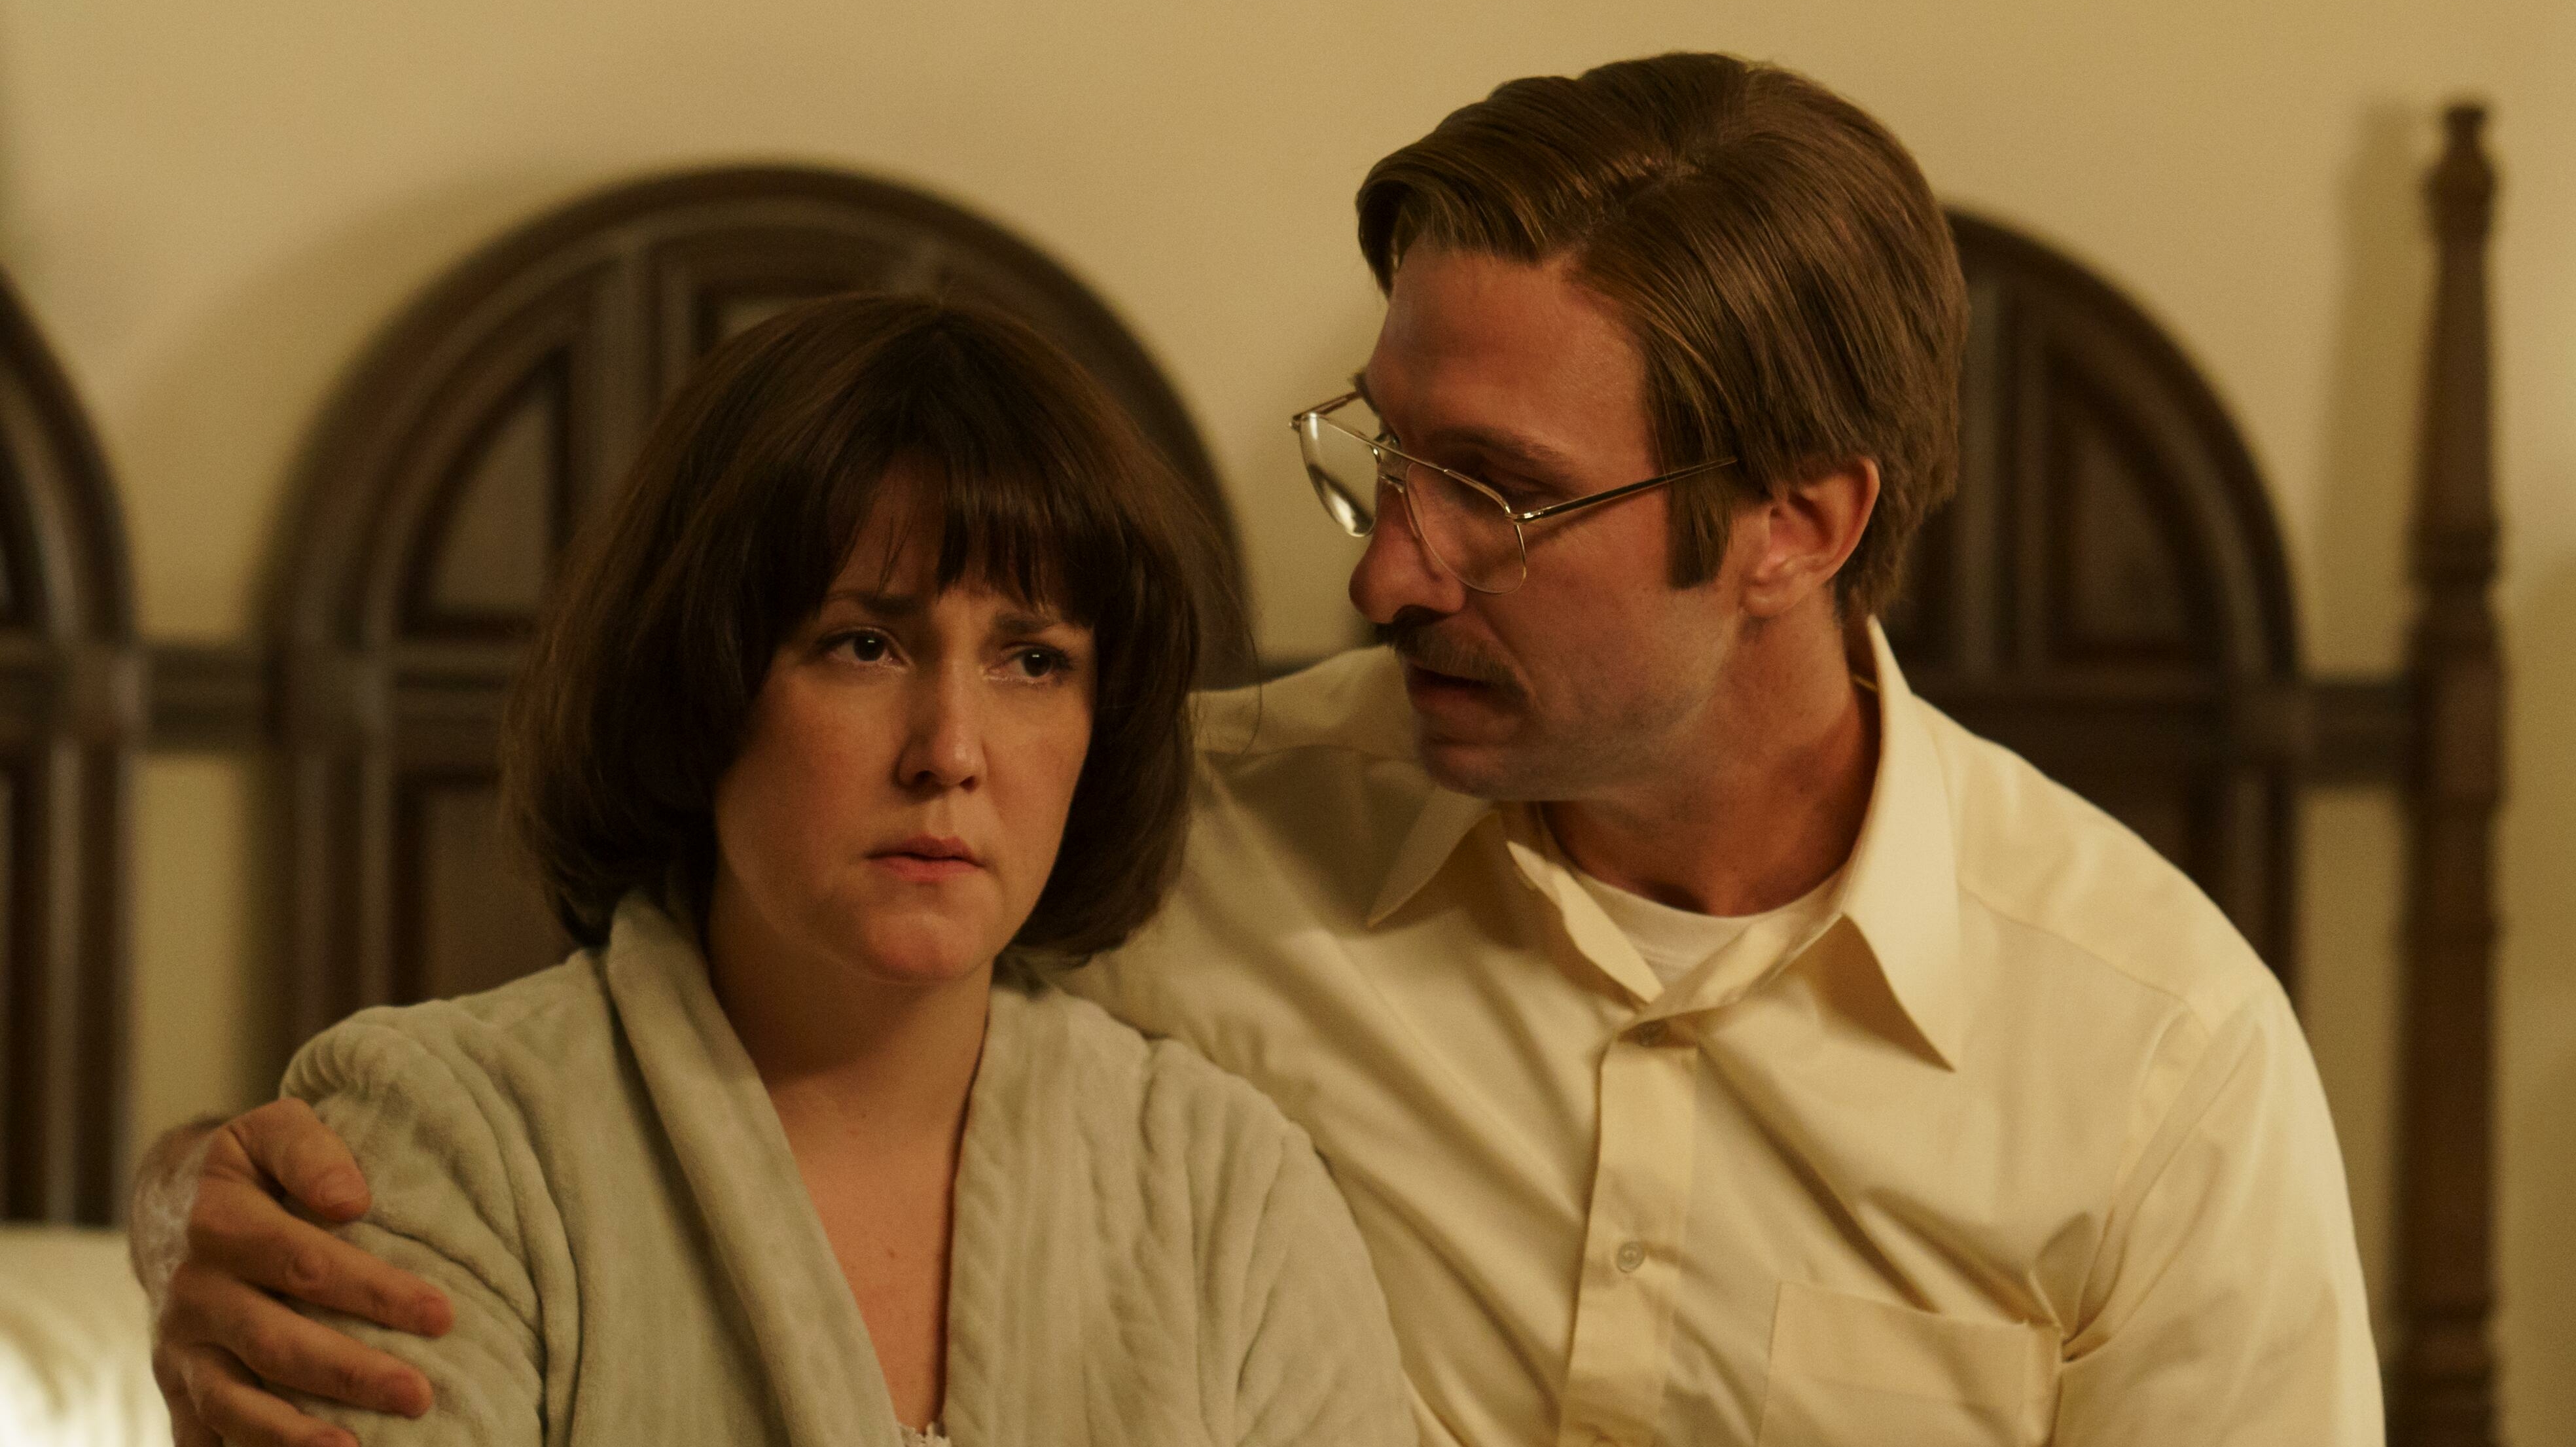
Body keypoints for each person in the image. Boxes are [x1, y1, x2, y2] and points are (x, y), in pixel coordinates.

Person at [133, 52, 2380, 1447]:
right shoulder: (1146, 829)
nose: (1385, 570)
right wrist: (195, 1211)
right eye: (1380, 456)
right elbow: (603, 1084)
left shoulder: (2152, 1061)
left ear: (1796, 523)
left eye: (1494, 494)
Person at [128, 292, 1412, 1446]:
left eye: (1033, 661)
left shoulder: (1226, 1186)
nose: (952, 751)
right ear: (703, 676)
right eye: (863, 644)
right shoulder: (453, 1143)